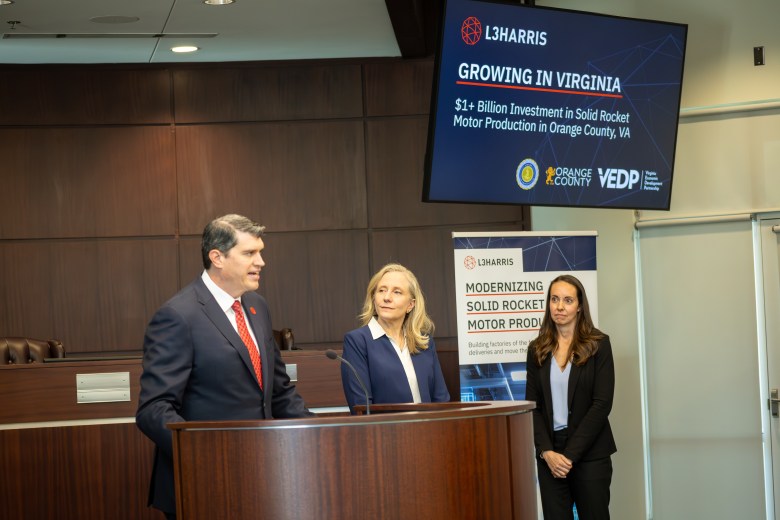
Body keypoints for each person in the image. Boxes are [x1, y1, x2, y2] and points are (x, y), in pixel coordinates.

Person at [135, 214, 312, 519]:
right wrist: (208, 457)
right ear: (217, 257)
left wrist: (319, 434)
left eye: (260, 251)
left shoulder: (257, 306)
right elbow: (154, 410)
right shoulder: (178, 316)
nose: (261, 262)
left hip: (262, 478)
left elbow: (278, 393)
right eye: (249, 253)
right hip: (205, 483)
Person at [525, 274, 616, 520]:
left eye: (567, 300)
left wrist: (569, 455)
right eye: (554, 299)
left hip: (590, 452)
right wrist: (547, 452)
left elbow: (602, 404)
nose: (560, 306)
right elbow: (533, 406)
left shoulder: (599, 345)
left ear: (579, 306)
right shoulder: (537, 349)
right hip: (550, 456)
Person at [340, 263, 450, 413]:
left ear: (410, 305)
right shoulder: (357, 341)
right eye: (381, 290)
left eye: (397, 292)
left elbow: (441, 399)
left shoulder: (423, 341)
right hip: (385, 434)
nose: (386, 298)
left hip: (428, 431)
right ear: (374, 298)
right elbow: (361, 407)